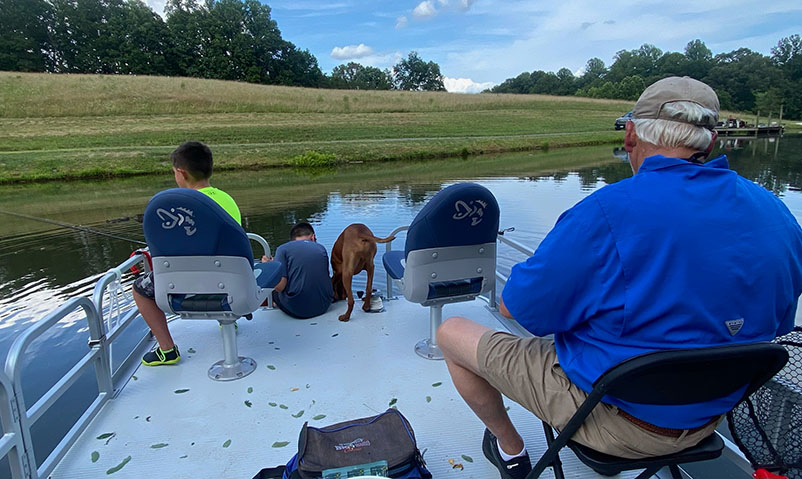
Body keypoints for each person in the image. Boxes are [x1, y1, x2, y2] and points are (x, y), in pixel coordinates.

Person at [436, 76, 802, 479]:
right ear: (710, 142)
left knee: (451, 333)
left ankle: (511, 453)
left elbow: (516, 307)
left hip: (616, 418)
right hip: (711, 416)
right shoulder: (777, 213)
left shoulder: (605, 213)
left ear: (630, 136)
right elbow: (777, 325)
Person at [134, 141, 241, 366]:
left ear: (181, 173)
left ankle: (167, 350)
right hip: (231, 284)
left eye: (174, 173)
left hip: (189, 284)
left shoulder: (173, 205)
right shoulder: (227, 199)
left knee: (140, 289)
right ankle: (227, 319)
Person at [267, 222, 334, 319]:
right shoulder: (321, 248)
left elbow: (280, 287)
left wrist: (270, 267)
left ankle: (274, 305)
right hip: (324, 305)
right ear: (313, 237)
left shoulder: (282, 249)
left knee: (274, 288)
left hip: (298, 310)